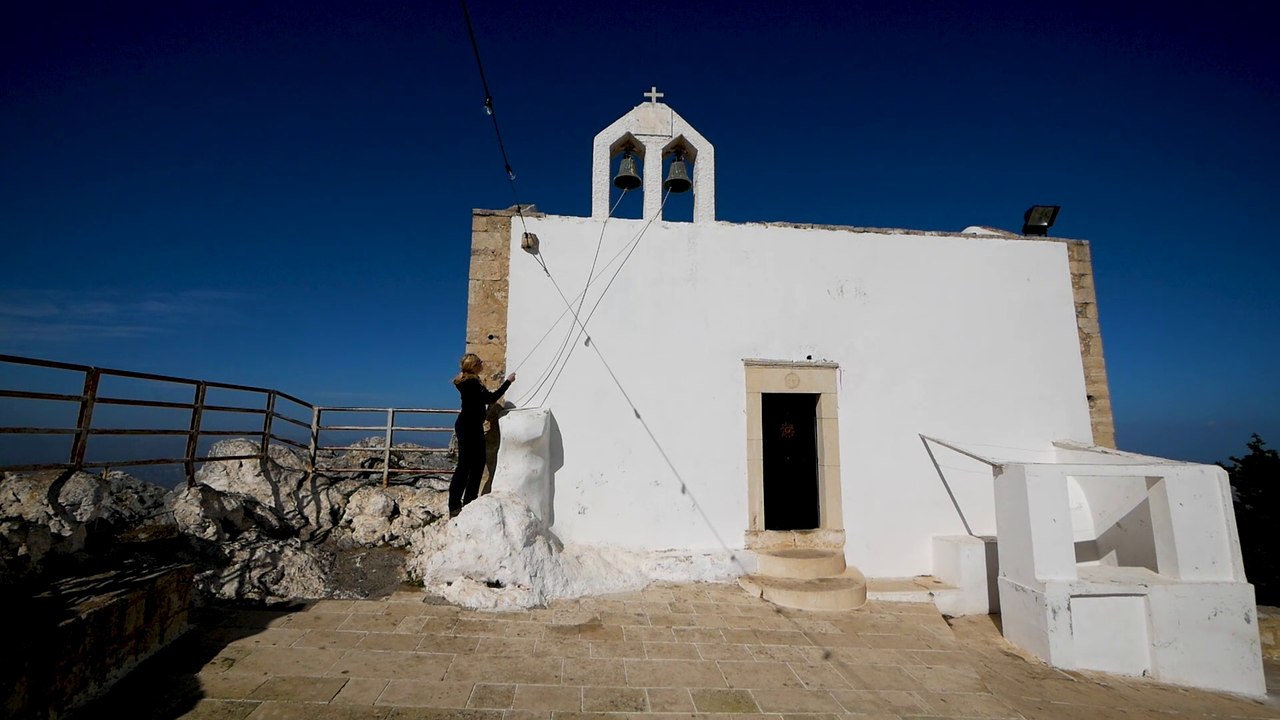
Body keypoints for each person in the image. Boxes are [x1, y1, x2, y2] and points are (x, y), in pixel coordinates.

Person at [448, 353, 515, 517]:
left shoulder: (470, 382)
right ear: (474, 366)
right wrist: (508, 382)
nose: (482, 363)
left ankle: (468, 501)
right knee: (466, 465)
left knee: (476, 463)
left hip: (470, 425)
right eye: (479, 362)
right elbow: (491, 398)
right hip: (469, 426)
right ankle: (456, 505)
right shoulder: (471, 383)